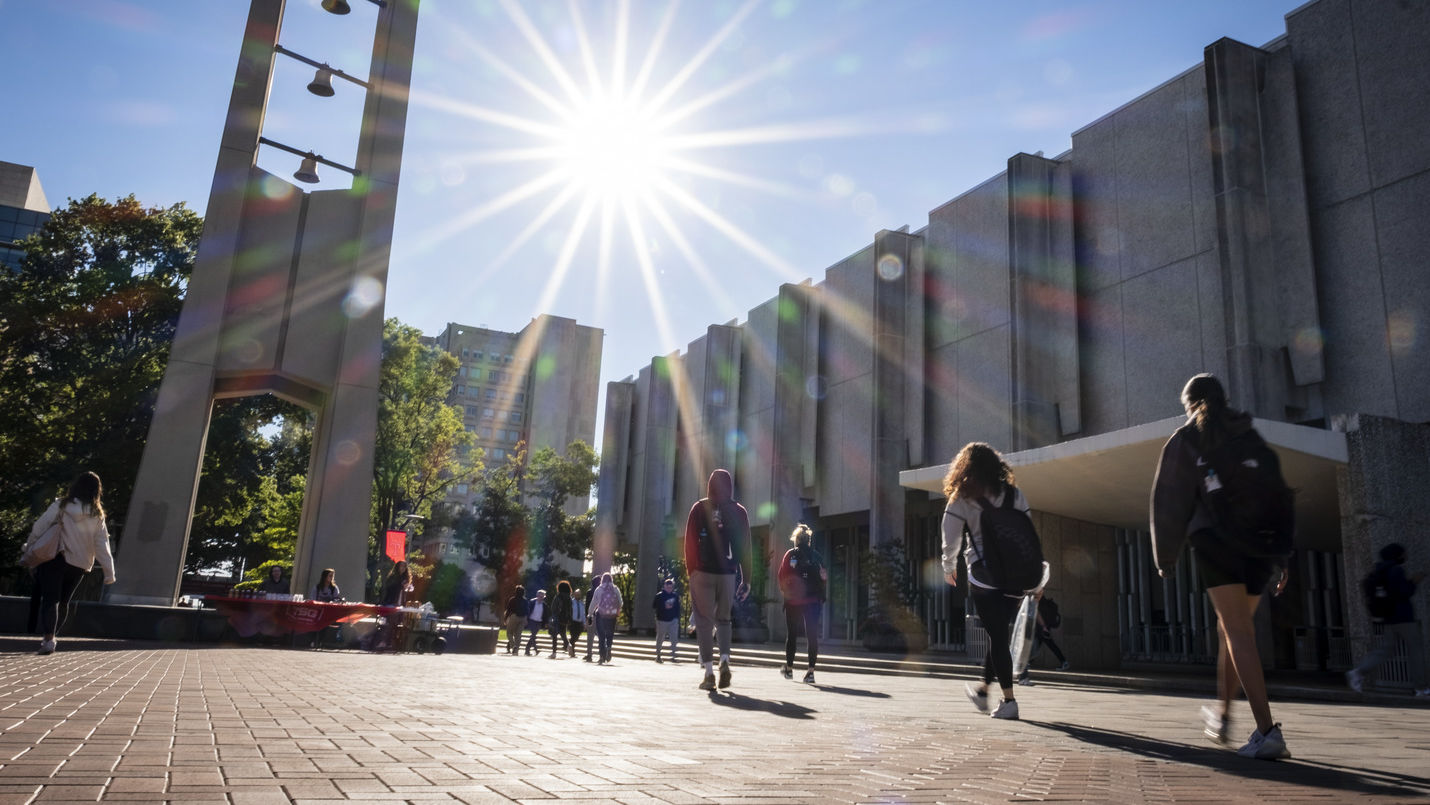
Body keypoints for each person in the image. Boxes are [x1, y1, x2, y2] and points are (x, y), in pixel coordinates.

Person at [1152, 373, 1291, 760]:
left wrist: (1165, 557)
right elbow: (1276, 494)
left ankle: (1267, 731)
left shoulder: (1186, 439)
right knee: (1230, 629)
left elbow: (1168, 500)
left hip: (1217, 541)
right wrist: (1280, 556)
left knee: (1237, 632)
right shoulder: (1249, 436)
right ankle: (1224, 713)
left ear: (1191, 403)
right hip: (1259, 546)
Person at [941, 443, 1032, 720]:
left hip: (985, 575)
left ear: (964, 466)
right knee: (999, 635)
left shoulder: (962, 497)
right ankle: (983, 691)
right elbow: (1028, 534)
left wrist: (948, 566)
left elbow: (951, 536)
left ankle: (1009, 701)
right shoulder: (1014, 494)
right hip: (1016, 577)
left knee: (997, 636)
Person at [27, 472, 116, 655]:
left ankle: (49, 639)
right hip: (79, 564)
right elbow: (102, 544)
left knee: (51, 600)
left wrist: (29, 549)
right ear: (96, 491)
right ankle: (51, 638)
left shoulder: (61, 505)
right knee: (64, 601)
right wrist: (109, 572)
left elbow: (39, 527)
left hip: (55, 558)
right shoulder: (97, 515)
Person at [684, 468, 751, 690]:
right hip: (728, 573)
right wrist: (746, 578)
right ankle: (724, 661)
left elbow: (690, 542)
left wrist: (691, 571)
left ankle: (709, 674)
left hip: (702, 572)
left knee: (704, 622)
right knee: (724, 619)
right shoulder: (739, 511)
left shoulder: (698, 508)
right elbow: (745, 547)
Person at [1347, 543, 1428, 696]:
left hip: (1389, 617)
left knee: (1385, 650)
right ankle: (1421, 687)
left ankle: (1358, 672)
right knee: (1415, 650)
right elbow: (1402, 592)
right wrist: (1413, 582)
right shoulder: (1397, 570)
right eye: (1403, 553)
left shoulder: (1380, 570)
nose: (1405, 556)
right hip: (1404, 617)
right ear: (1397, 555)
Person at [777, 523, 827, 683]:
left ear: (796, 540)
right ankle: (811, 672)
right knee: (812, 635)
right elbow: (824, 578)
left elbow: (781, 576)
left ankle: (789, 669)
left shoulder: (790, 554)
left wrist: (787, 593)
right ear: (809, 541)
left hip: (793, 601)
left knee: (791, 634)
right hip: (813, 601)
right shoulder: (817, 556)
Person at [1018, 593, 1070, 685]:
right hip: (1031, 629)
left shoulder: (1036, 601)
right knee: (1030, 650)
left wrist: (1043, 626)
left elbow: (1037, 613)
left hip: (1037, 629)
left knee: (1032, 650)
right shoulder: (1027, 598)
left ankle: (1023, 672)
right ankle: (1023, 674)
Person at [590, 572, 623, 664]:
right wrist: (615, 610)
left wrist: (590, 613)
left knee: (601, 635)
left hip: (600, 614)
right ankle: (609, 648)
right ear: (611, 579)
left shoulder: (599, 589)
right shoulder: (615, 589)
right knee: (610, 634)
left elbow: (594, 602)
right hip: (612, 615)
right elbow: (620, 602)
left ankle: (601, 656)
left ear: (602, 579)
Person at [652, 578, 682, 663]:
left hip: (673, 620)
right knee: (660, 638)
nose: (669, 589)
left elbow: (678, 608)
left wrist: (677, 618)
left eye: (671, 587)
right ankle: (658, 656)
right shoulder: (659, 595)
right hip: (661, 620)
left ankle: (673, 656)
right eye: (668, 587)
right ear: (664, 586)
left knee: (674, 638)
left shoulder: (675, 596)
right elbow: (654, 606)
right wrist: (663, 607)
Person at [501, 585, 529, 655]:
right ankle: (516, 651)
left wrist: (505, 619)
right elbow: (527, 610)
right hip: (523, 618)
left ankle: (513, 646)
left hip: (514, 617)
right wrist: (526, 619)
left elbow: (508, 610)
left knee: (509, 633)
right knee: (518, 635)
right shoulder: (525, 600)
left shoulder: (512, 599)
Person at [548, 582, 575, 658]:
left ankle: (554, 653)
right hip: (565, 619)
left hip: (557, 618)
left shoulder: (558, 596)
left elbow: (553, 607)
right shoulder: (569, 598)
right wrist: (569, 618)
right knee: (563, 634)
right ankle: (568, 645)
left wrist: (553, 616)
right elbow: (571, 609)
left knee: (554, 636)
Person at [523, 589, 550, 655]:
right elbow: (527, 611)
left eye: (542, 597)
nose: (541, 598)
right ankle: (531, 650)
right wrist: (526, 619)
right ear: (537, 595)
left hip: (539, 622)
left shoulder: (544, 605)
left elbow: (545, 615)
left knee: (533, 636)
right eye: (540, 596)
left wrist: (546, 623)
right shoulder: (532, 602)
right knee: (533, 635)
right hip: (532, 620)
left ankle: (532, 649)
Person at [568, 587, 586, 658]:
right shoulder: (571, 602)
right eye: (576, 594)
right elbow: (569, 612)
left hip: (579, 623)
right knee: (573, 636)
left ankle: (569, 645)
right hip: (572, 622)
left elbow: (583, 614)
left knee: (576, 637)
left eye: (579, 594)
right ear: (574, 595)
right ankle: (572, 651)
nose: (578, 596)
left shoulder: (582, 603)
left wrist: (584, 623)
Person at [582, 582, 598, 661]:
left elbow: (587, 605)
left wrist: (587, 617)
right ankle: (604, 653)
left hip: (592, 616)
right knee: (601, 636)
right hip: (602, 616)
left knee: (590, 637)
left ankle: (589, 654)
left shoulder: (590, 592)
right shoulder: (603, 591)